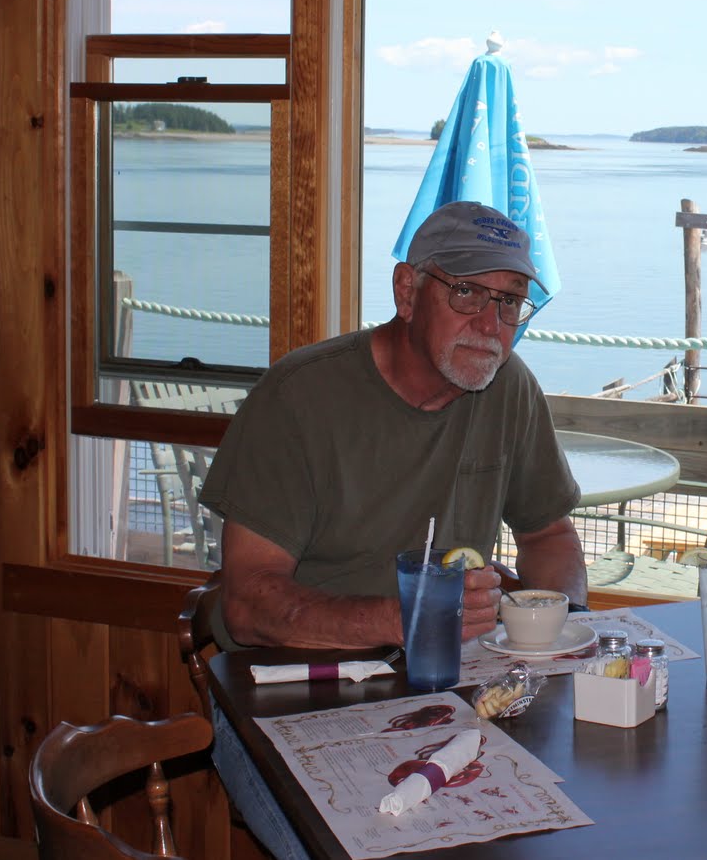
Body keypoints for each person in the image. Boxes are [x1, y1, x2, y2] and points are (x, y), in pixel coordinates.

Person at [199, 199, 587, 859]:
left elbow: (549, 536)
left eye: (510, 302)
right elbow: (248, 603)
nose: (491, 324)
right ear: (408, 291)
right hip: (284, 701)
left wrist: (564, 627)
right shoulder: (299, 399)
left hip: (446, 701)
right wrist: (409, 615)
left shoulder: (508, 391)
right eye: (467, 292)